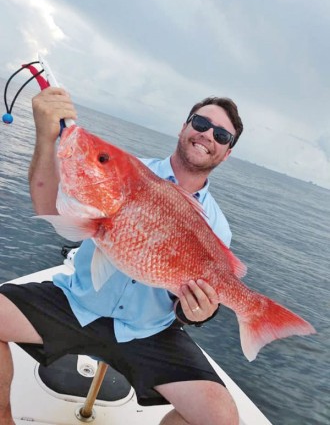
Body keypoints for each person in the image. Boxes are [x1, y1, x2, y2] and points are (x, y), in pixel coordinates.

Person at [0, 87, 243, 425]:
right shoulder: (128, 170)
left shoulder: (217, 226)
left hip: (148, 331)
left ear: (227, 152)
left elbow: (188, 300)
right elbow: (47, 206)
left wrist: (196, 313)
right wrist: (46, 138)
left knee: (221, 419)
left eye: (220, 134)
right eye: (200, 122)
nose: (207, 135)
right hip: (79, 304)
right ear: (184, 126)